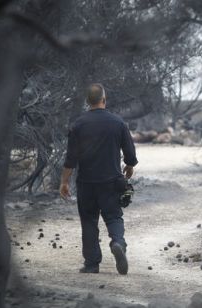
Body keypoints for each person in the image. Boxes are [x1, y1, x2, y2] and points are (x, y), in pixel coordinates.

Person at [59, 83, 138, 275]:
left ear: (88, 101)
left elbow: (71, 158)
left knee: (88, 221)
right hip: (111, 181)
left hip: (86, 183)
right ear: (104, 99)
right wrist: (129, 165)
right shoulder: (118, 123)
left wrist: (64, 182)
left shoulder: (78, 125)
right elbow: (130, 152)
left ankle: (92, 264)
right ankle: (118, 242)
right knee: (113, 217)